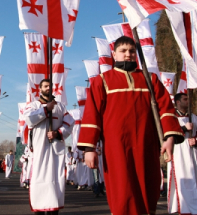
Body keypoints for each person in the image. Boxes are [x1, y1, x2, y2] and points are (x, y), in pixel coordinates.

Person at [78, 36, 184, 215]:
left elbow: (166, 109)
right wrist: (90, 148)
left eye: (132, 51)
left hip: (147, 144)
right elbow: (92, 115)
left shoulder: (150, 80)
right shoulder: (102, 81)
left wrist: (169, 137)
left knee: (148, 186)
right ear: (114, 54)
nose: (128, 54)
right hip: (116, 147)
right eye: (123, 51)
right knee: (122, 189)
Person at [24, 78, 75, 214]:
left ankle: (54, 209)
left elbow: (69, 122)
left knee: (55, 180)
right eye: (45, 86)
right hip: (40, 150)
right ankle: (39, 208)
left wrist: (58, 133)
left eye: (50, 86)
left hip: (55, 150)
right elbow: (28, 118)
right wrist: (46, 109)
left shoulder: (60, 106)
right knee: (39, 179)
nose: (48, 88)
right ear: (40, 89)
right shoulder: (33, 105)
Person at [167, 93, 197, 214]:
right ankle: (183, 208)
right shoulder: (171, 117)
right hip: (178, 152)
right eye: (185, 99)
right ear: (178, 102)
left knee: (196, 180)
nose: (188, 101)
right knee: (182, 180)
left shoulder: (194, 117)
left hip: (193, 154)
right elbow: (167, 134)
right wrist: (184, 129)